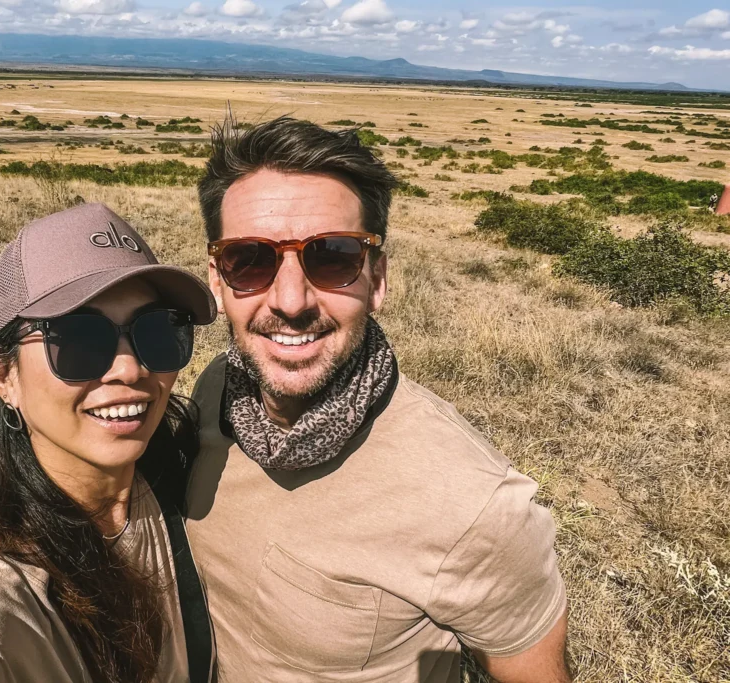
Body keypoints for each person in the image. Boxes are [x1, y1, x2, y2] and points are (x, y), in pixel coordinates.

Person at [185, 117, 571, 683]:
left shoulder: (474, 505)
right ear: (217, 283)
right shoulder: (217, 386)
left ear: (378, 279)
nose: (290, 300)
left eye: (333, 256)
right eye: (250, 260)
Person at [0, 203, 216, 683]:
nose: (130, 369)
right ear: (4, 375)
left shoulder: (182, 473)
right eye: (78, 340)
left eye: (158, 331)